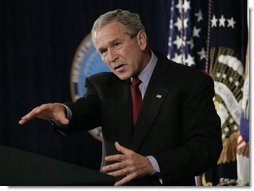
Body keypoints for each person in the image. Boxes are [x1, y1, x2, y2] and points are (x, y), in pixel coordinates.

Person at [19, 9, 222, 186]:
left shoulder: (189, 82)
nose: (111, 57)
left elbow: (206, 148)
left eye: (116, 44)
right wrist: (64, 111)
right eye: (103, 51)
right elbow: (86, 110)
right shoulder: (103, 85)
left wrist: (151, 164)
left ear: (141, 40)